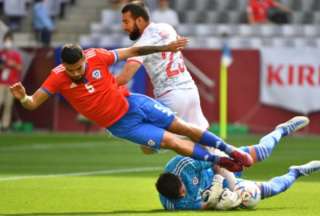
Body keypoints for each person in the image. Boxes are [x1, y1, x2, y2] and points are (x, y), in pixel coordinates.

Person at [9, 41, 253, 172]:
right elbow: (32, 103)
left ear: (84, 58)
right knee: (172, 141)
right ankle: (218, 161)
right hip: (121, 125)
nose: (74, 73)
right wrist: (22, 97)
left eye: (78, 68)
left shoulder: (97, 56)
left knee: (183, 127)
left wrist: (164, 48)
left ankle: (231, 150)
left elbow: (135, 50)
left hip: (133, 102)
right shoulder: (57, 76)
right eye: (70, 69)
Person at [155, 116, 314, 210]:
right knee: (271, 189)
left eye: (183, 190)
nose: (184, 194)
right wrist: (228, 201)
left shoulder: (185, 164)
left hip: (221, 164)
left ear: (180, 179)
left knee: (262, 152)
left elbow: (215, 160)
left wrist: (223, 181)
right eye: (181, 195)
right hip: (218, 189)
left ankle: (281, 130)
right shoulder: (174, 203)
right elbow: (205, 206)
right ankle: (297, 172)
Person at [117, 3, 208, 154]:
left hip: (171, 97)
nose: (124, 27)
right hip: (190, 90)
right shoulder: (167, 27)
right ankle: (226, 172)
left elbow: (124, 78)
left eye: (126, 22)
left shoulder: (142, 44)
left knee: (147, 147)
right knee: (202, 138)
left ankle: (194, 148)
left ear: (139, 20)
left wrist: (98, 86)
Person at [0, 31, 22, 131]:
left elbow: (20, 67)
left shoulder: (16, 55)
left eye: (9, 40)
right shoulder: (1, 53)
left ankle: (5, 125)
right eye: (6, 40)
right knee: (0, 102)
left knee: (8, 105)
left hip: (11, 83)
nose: (7, 42)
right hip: (1, 82)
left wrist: (13, 64)